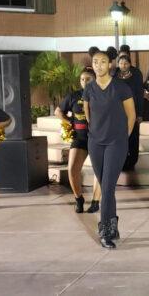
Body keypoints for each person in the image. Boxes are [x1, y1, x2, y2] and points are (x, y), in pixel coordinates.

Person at [83, 48, 136, 249]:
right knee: (107, 187)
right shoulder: (88, 88)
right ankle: (113, 225)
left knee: (106, 187)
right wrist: (95, 132)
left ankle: (105, 230)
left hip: (116, 142)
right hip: (95, 143)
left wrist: (123, 136)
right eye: (95, 62)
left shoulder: (121, 87)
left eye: (103, 62)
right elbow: (89, 115)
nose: (98, 65)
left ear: (110, 64)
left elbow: (131, 115)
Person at [55, 69, 102, 213]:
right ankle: (78, 198)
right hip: (79, 138)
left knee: (99, 172)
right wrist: (69, 122)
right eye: (82, 79)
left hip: (97, 138)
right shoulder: (74, 96)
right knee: (72, 169)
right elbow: (58, 111)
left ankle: (95, 201)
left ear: (95, 80)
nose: (84, 82)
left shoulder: (102, 94)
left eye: (88, 79)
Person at [115, 55, 144, 171]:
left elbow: (140, 95)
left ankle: (131, 161)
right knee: (120, 138)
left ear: (129, 64)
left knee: (133, 137)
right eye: (121, 63)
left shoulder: (135, 76)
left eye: (125, 63)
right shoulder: (114, 76)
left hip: (133, 112)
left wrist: (140, 114)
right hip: (118, 113)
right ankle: (120, 162)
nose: (123, 65)